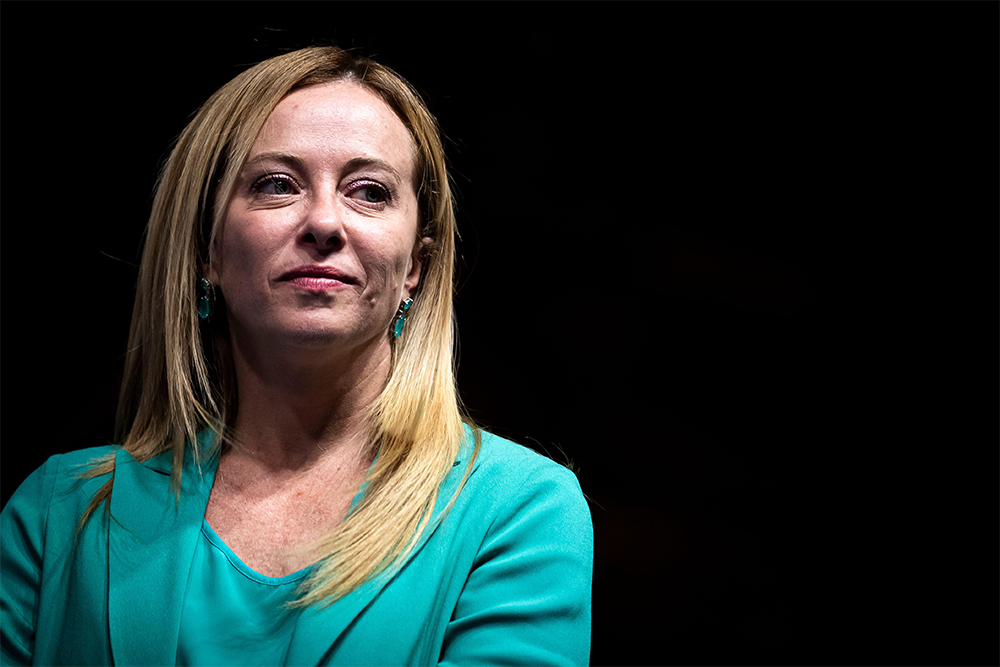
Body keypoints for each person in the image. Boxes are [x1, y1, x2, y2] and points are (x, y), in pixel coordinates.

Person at [0, 45, 592, 666]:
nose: (325, 223)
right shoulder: (58, 515)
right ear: (207, 249)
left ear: (416, 265)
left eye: (369, 192)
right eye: (276, 185)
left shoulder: (518, 514)